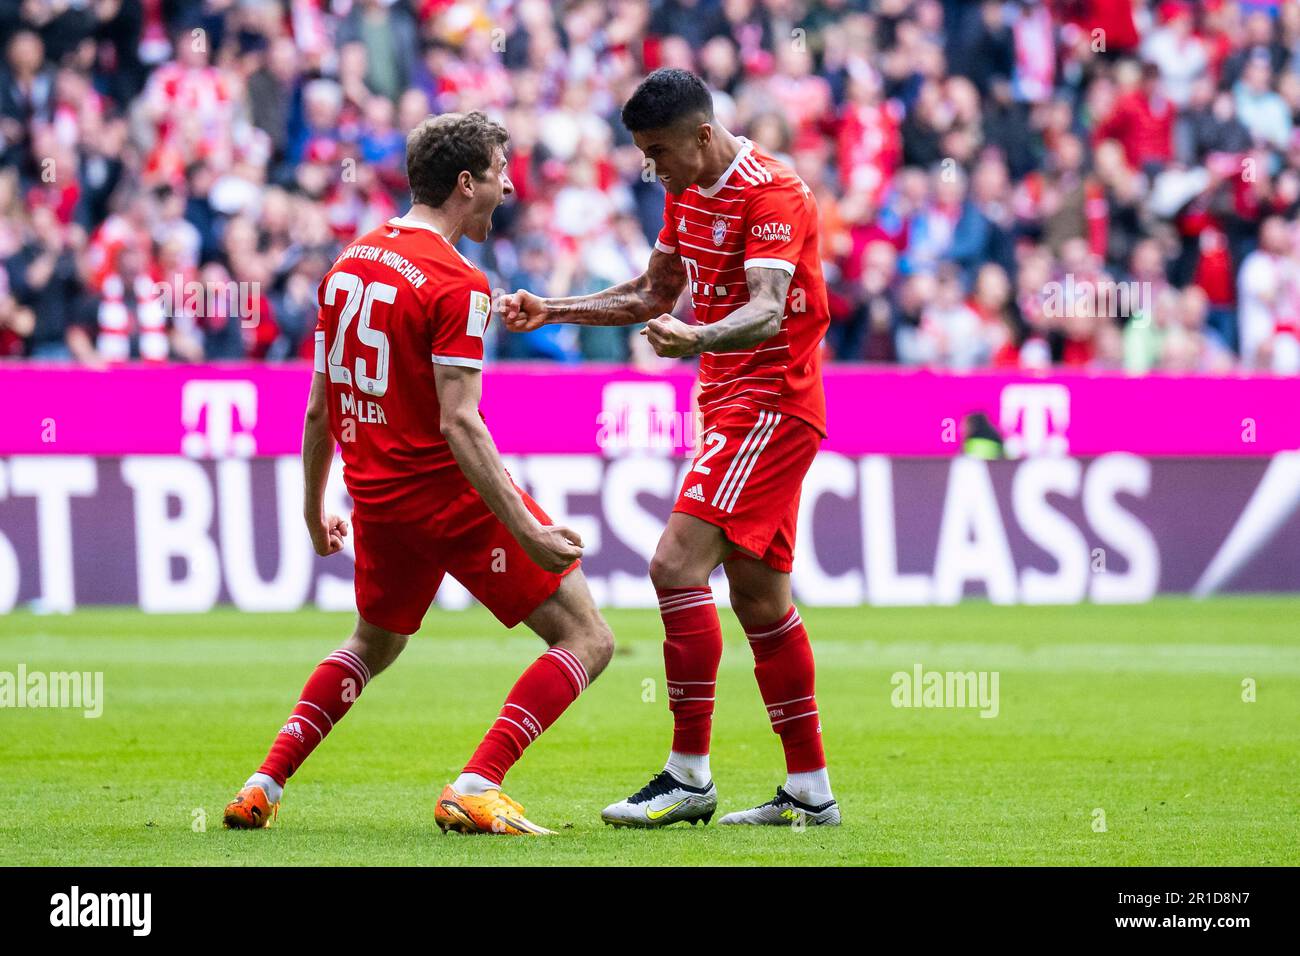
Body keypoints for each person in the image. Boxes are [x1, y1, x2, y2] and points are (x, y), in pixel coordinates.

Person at [223, 111, 614, 837]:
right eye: (500, 174)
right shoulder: (458, 283)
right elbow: (460, 423)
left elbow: (318, 411)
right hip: (448, 497)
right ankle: (477, 783)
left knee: (373, 643)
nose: (508, 188)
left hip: (376, 498)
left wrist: (315, 514)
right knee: (589, 639)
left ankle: (263, 783)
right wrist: (526, 530)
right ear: (467, 183)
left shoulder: (347, 266)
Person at [500, 69, 839, 827]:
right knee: (759, 599)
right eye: (644, 154)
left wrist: (699, 338)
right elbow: (652, 296)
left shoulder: (772, 192)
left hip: (772, 404)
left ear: (704, 136)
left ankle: (689, 777)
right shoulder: (684, 193)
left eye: (659, 151)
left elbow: (767, 307)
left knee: (673, 564)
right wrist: (549, 309)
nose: (652, 168)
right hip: (729, 406)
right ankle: (810, 791)